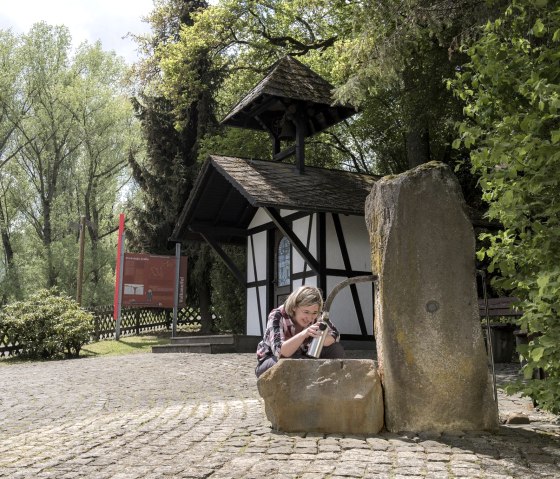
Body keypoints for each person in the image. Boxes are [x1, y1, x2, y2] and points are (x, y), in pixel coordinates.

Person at [255, 285, 345, 378]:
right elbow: (280, 352)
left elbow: (335, 334)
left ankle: (327, 382)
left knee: (335, 349)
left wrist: (323, 339)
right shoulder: (277, 315)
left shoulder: (317, 316)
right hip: (272, 361)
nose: (310, 318)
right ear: (294, 307)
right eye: (306, 312)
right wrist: (304, 334)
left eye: (314, 313)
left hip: (304, 358)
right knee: (289, 363)